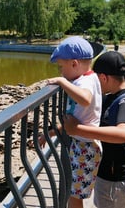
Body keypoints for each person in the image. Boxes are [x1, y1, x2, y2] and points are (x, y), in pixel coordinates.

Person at [63, 51, 125, 208]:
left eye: (94, 80)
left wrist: (77, 130)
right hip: (105, 173)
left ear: (104, 78)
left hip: (115, 179)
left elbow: (123, 134)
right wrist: (52, 131)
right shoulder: (109, 97)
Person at [40, 36, 103, 208]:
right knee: (72, 193)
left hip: (86, 146)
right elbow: (72, 122)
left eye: (61, 67)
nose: (61, 72)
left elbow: (85, 99)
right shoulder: (86, 78)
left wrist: (61, 82)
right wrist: (49, 134)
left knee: (74, 196)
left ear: (74, 64)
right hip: (81, 143)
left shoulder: (86, 81)